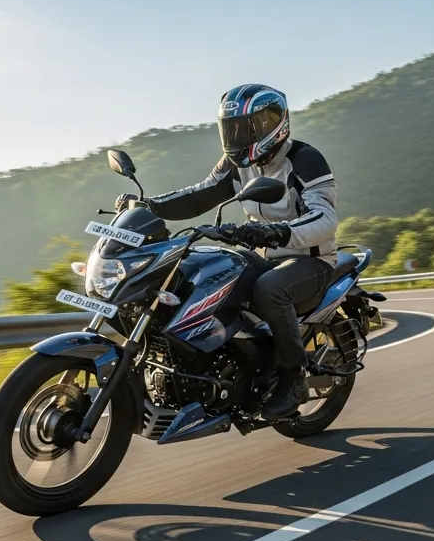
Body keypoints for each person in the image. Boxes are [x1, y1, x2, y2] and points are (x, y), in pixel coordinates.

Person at [115, 84, 337, 421]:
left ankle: (293, 378)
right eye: (230, 129)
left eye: (244, 128)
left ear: (271, 124)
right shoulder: (236, 164)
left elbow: (324, 218)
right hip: (264, 256)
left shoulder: (305, 159)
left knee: (269, 289)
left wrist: (276, 232)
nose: (235, 137)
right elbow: (200, 195)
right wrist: (149, 206)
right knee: (206, 273)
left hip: (310, 260)